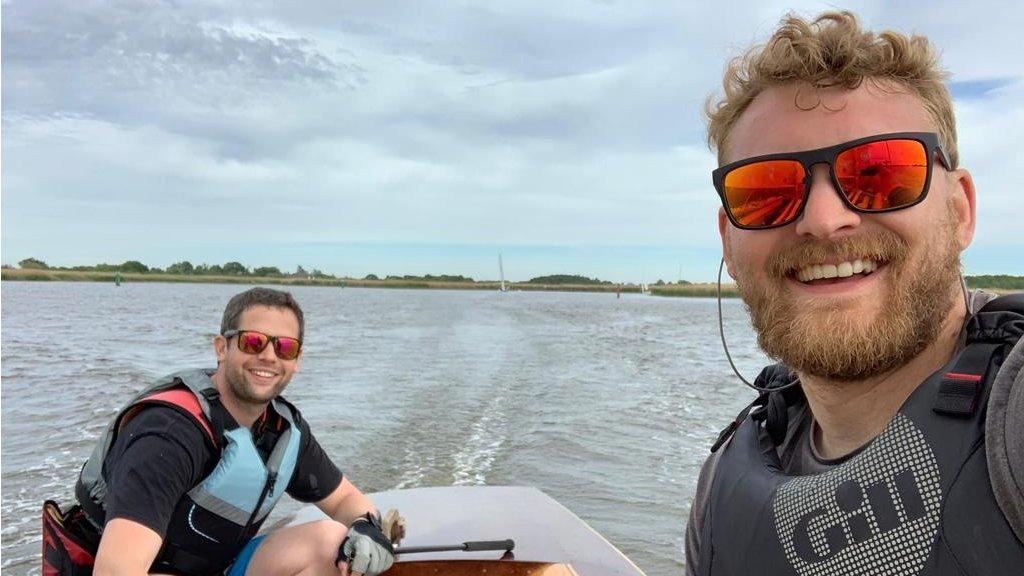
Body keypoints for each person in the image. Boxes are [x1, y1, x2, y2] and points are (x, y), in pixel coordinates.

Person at [685, 11, 1024, 576]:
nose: (823, 219)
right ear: (728, 239)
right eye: (767, 190)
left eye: (879, 174)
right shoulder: (722, 485)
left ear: (960, 210)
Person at [44, 287, 395, 576]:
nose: (270, 356)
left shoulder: (282, 431)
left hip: (218, 567)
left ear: (297, 360)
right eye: (253, 342)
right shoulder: (169, 434)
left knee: (332, 543)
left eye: (285, 347)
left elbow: (345, 500)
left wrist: (365, 527)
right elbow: (117, 571)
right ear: (222, 348)